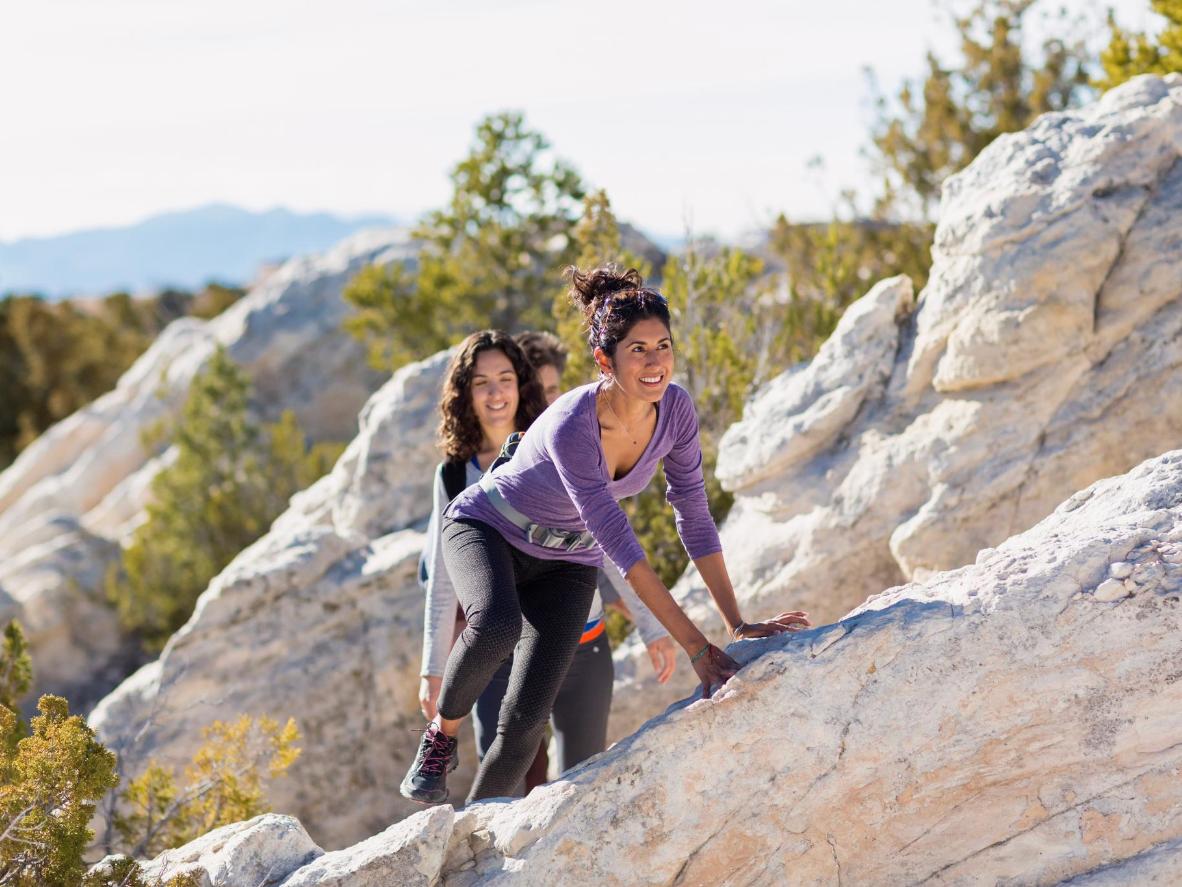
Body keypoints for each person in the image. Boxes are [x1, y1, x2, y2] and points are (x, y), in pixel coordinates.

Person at [401, 266, 810, 805]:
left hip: (566, 559)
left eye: (663, 345)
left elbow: (693, 514)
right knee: (496, 625)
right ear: (605, 361)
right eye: (637, 349)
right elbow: (623, 546)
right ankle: (440, 740)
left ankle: (475, 833)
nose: (655, 361)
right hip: (486, 526)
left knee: (525, 728)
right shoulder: (575, 423)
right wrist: (696, 647)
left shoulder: (677, 411)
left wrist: (736, 623)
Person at [417, 329, 674, 796]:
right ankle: (479, 851)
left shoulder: (561, 443)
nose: (496, 394)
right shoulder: (455, 474)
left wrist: (650, 625)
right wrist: (433, 670)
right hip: (497, 655)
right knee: (509, 780)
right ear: (464, 393)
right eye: (481, 383)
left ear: (522, 385)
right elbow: (442, 579)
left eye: (506, 379)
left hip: (582, 640)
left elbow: (607, 540)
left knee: (579, 783)